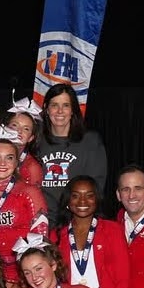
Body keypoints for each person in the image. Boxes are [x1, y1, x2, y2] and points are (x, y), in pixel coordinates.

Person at [0, 136, 48, 288]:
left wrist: (24, 276)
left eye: (9, 158)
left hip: (24, 271)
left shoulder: (29, 192)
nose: (2, 163)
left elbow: (40, 237)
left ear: (16, 163)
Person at [35, 83, 107, 228]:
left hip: (77, 223)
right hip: (42, 224)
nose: (60, 111)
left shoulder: (90, 141)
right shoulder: (35, 141)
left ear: (73, 110)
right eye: (54, 105)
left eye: (66, 105)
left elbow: (95, 188)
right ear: (46, 109)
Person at [5, 97, 44, 187]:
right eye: (15, 125)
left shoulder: (32, 167)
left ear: (31, 138)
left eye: (26, 129)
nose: (19, 131)